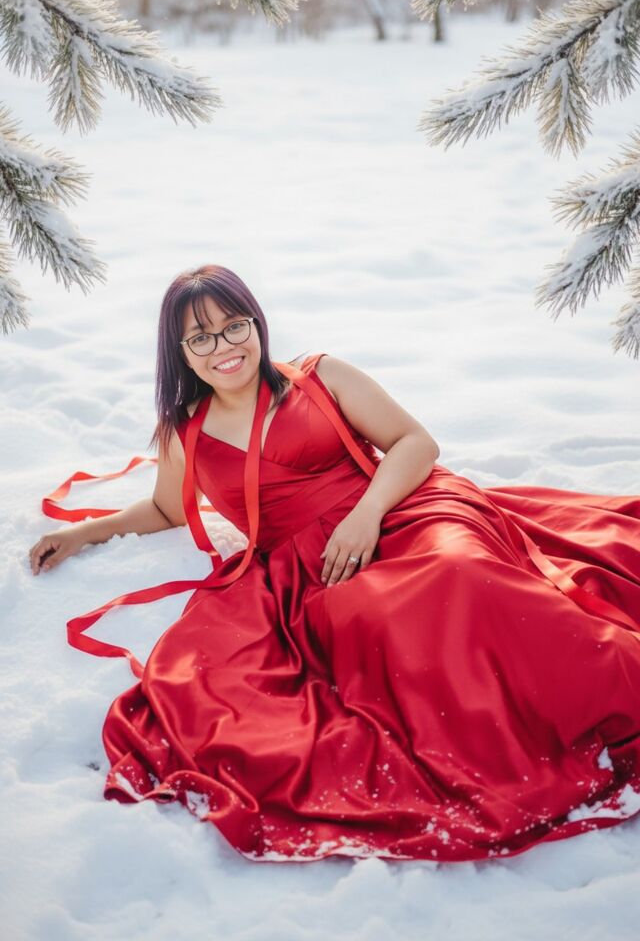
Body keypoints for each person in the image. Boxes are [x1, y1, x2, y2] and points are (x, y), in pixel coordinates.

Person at [29, 264, 640, 864]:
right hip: (311, 565)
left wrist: (367, 514)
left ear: (256, 323)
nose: (224, 347)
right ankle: (495, 745)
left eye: (235, 326)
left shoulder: (321, 377)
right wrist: (85, 532)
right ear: (180, 353)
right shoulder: (184, 431)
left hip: (399, 507)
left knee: (460, 573)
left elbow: (416, 443)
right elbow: (167, 508)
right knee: (380, 617)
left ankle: (604, 693)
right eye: (201, 337)